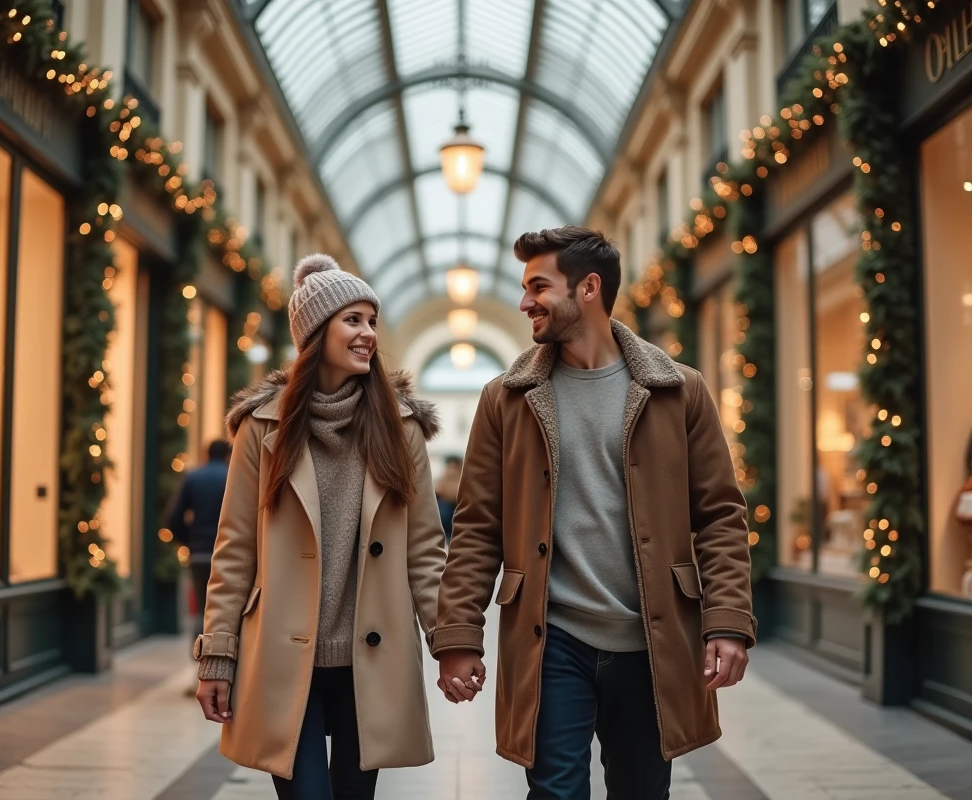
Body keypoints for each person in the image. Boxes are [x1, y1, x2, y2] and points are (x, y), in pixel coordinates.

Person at [431, 227, 756, 800]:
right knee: (555, 792)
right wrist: (460, 634)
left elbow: (721, 516)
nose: (526, 301)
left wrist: (727, 621)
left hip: (653, 641)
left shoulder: (679, 390)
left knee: (641, 791)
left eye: (539, 286)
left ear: (588, 287)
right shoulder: (505, 398)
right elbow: (478, 526)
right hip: (551, 636)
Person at [194, 253, 446, 800]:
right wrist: (218, 653)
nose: (367, 334)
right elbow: (234, 548)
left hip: (369, 658)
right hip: (284, 658)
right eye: (352, 320)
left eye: (372, 321)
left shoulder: (400, 429)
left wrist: (451, 642)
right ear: (315, 333)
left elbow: (426, 548)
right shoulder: (262, 428)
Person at [166, 438, 232, 644]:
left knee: (202, 602)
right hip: (227, 551)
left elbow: (173, 518)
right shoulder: (231, 478)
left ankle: (198, 647)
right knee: (223, 605)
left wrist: (189, 541)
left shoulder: (192, 478)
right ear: (228, 455)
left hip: (199, 552)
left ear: (207, 455)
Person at [435, 455, 462, 541]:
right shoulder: (443, 478)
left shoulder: (461, 478)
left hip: (455, 507)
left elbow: (455, 494)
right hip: (445, 507)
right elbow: (439, 490)